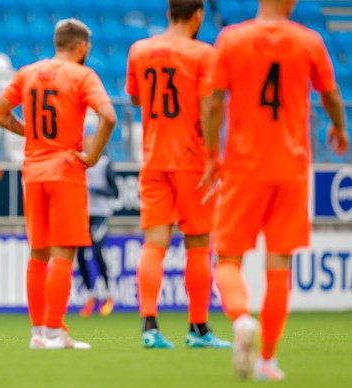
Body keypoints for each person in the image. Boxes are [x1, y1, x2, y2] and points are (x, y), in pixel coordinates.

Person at [200, 0, 349, 380]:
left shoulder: (232, 39)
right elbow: (330, 94)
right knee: (279, 264)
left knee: (228, 259)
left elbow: (214, 103)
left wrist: (211, 155)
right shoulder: (309, 41)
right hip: (292, 167)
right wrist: (338, 127)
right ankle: (267, 360)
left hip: (243, 166)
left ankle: (240, 320)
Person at [0, 19, 116, 350]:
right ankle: (54, 332)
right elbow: (109, 116)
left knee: (38, 254)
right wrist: (91, 156)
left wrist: (29, 133)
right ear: (83, 47)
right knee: (63, 253)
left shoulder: (28, 72)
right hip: (66, 169)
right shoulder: (82, 74)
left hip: (33, 170)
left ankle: (39, 334)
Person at [125, 0, 231, 349]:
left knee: (153, 245)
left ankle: (149, 328)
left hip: (154, 158)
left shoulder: (139, 50)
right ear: (198, 15)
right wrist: (214, 156)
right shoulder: (203, 53)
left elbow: (137, 100)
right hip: (192, 160)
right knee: (199, 246)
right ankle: (198, 329)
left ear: (169, 12)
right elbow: (209, 108)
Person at [77, 135, 119, 318]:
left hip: (100, 215)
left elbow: (115, 191)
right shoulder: (79, 163)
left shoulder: (103, 163)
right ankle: (90, 295)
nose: (88, 145)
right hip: (82, 215)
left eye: (92, 142)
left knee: (96, 252)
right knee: (79, 254)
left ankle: (108, 294)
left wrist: (96, 190)